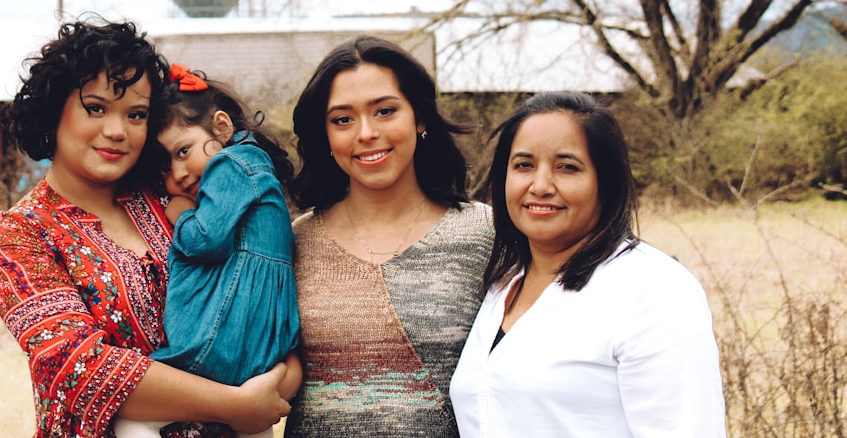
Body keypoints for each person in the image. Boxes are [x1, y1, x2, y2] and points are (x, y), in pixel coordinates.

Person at [0, 19, 293, 438]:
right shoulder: (22, 232)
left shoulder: (174, 195)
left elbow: (262, 288)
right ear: (55, 111)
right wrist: (236, 405)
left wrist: (280, 377)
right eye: (96, 108)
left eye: (136, 114)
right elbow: (79, 368)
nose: (117, 131)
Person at [449, 91, 727, 437]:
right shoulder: (502, 283)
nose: (540, 185)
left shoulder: (654, 291)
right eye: (523, 165)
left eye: (567, 167)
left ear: (605, 182)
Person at [284, 35, 494, 437]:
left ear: (420, 118)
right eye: (343, 119)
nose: (366, 133)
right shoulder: (295, 241)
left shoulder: (484, 234)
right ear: (326, 136)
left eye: (384, 111)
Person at [114, 64, 301, 438]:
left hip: (222, 338)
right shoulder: (258, 173)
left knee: (131, 419)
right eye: (166, 167)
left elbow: (206, 240)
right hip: (264, 346)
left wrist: (182, 214)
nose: (179, 173)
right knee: (249, 426)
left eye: (183, 151)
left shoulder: (230, 165)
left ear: (221, 127)